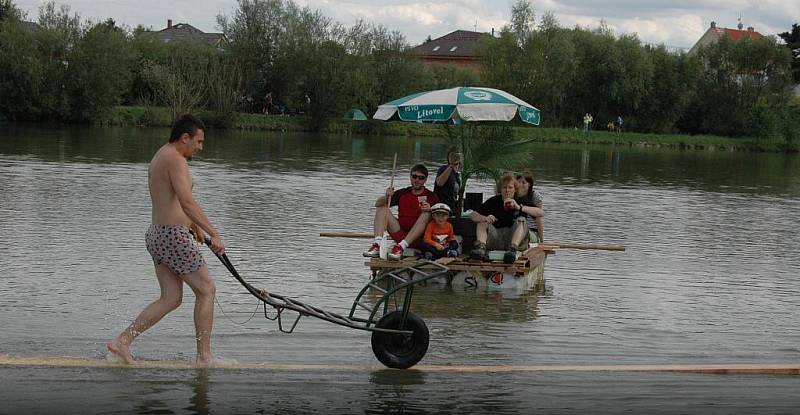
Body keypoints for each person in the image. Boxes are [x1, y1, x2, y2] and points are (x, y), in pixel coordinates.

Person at [107, 114, 225, 367]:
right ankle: (204, 357)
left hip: (158, 234)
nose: (200, 148)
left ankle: (123, 341)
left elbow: (172, 202)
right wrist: (214, 232)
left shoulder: (162, 155)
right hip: (171, 236)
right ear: (185, 137)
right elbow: (186, 201)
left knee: (171, 298)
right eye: (199, 141)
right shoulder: (176, 159)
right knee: (207, 290)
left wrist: (195, 227)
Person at [363, 164, 439, 260]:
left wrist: (431, 209)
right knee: (382, 208)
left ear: (425, 180)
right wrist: (387, 196)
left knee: (426, 213)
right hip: (400, 233)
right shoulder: (403, 193)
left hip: (419, 238)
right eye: (414, 176)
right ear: (410, 177)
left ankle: (401, 247)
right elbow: (377, 204)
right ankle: (377, 244)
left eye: (421, 178)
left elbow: (441, 218)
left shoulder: (431, 196)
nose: (417, 180)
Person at [469, 175, 529, 264]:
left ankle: (512, 249)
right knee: (482, 222)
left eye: (510, 187)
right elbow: (472, 215)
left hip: (513, 237)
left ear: (515, 189)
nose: (507, 190)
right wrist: (485, 218)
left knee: (521, 220)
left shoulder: (521, 200)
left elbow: (540, 212)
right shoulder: (493, 201)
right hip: (496, 237)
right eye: (504, 187)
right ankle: (480, 248)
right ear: (500, 189)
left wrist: (518, 207)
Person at [515, 171, 545, 243]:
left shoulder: (535, 196)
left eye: (523, 183)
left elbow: (538, 219)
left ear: (529, 184)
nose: (520, 185)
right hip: (516, 228)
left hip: (531, 231)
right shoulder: (514, 195)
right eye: (518, 182)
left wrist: (542, 241)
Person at [434, 147, 462, 214]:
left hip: (452, 207)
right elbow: (439, 183)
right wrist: (451, 165)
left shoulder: (457, 175)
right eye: (453, 156)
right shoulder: (444, 169)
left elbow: (456, 194)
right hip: (442, 206)